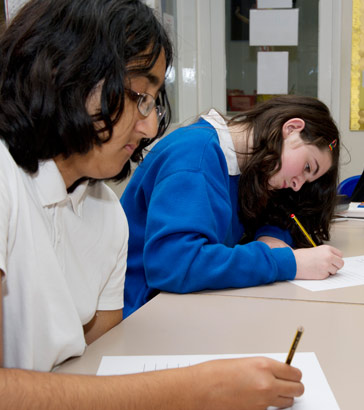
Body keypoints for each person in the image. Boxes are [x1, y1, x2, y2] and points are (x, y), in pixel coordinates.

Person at [0, 0, 304, 408]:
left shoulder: (105, 212)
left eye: (154, 102)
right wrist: (195, 389)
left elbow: (99, 363)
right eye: (141, 96)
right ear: (67, 72)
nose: (148, 128)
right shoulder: (6, 181)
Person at [121, 96, 345, 318]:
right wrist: (290, 263)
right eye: (307, 166)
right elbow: (175, 266)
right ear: (292, 128)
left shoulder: (247, 166)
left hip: (184, 306)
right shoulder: (195, 156)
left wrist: (270, 235)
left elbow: (276, 212)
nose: (297, 186)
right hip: (142, 313)